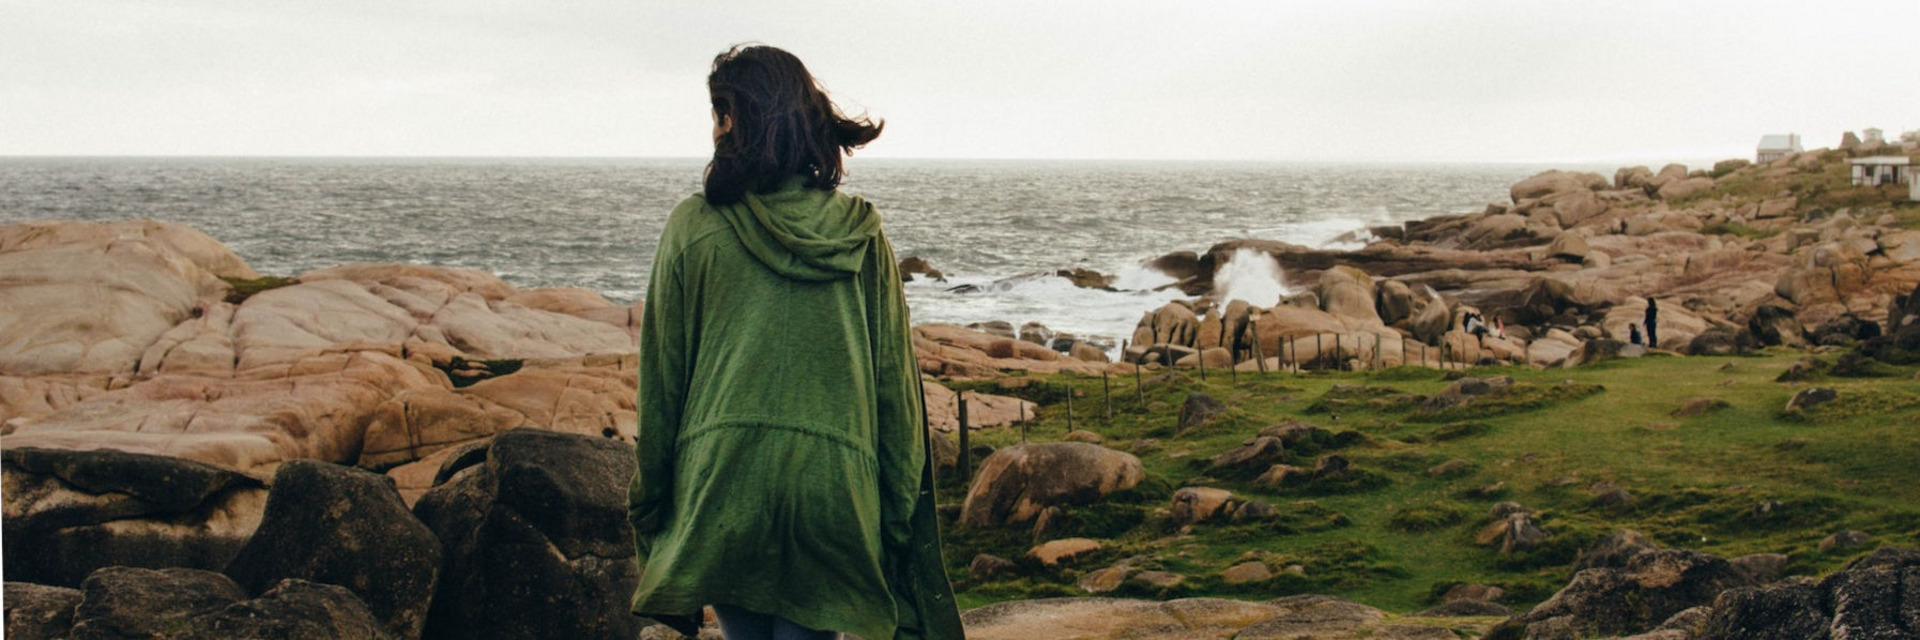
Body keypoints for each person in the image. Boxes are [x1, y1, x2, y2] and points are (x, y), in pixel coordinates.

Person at [627, 44, 963, 640]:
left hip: (723, 482)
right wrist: (894, 515)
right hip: (832, 488)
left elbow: (661, 382)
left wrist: (651, 507)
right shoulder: (859, 230)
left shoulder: (692, 226)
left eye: (717, 112)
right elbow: (894, 385)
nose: (712, 128)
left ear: (733, 119)